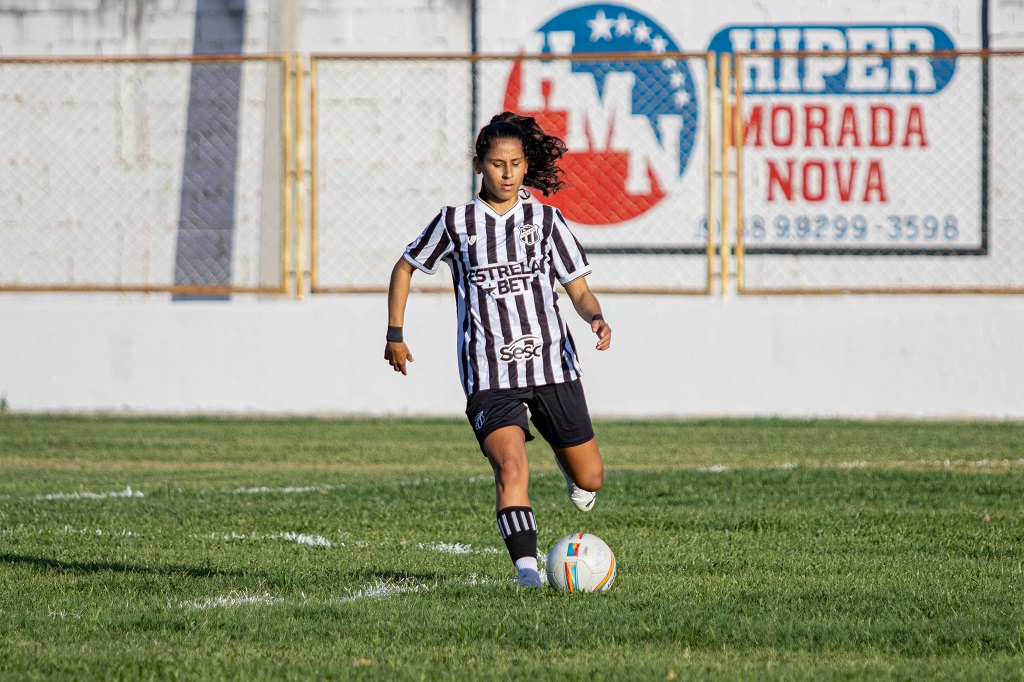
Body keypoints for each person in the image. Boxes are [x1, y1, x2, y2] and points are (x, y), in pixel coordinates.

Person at [384, 111, 612, 588]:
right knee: (511, 466)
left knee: (591, 479)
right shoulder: (455, 222)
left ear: (526, 166)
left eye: (514, 163)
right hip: (489, 375)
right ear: (478, 166)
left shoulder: (547, 220)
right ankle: (527, 573)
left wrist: (594, 316)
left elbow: (578, 289)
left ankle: (570, 469)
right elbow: (405, 268)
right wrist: (396, 334)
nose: (506, 174)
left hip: (552, 364)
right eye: (495, 164)